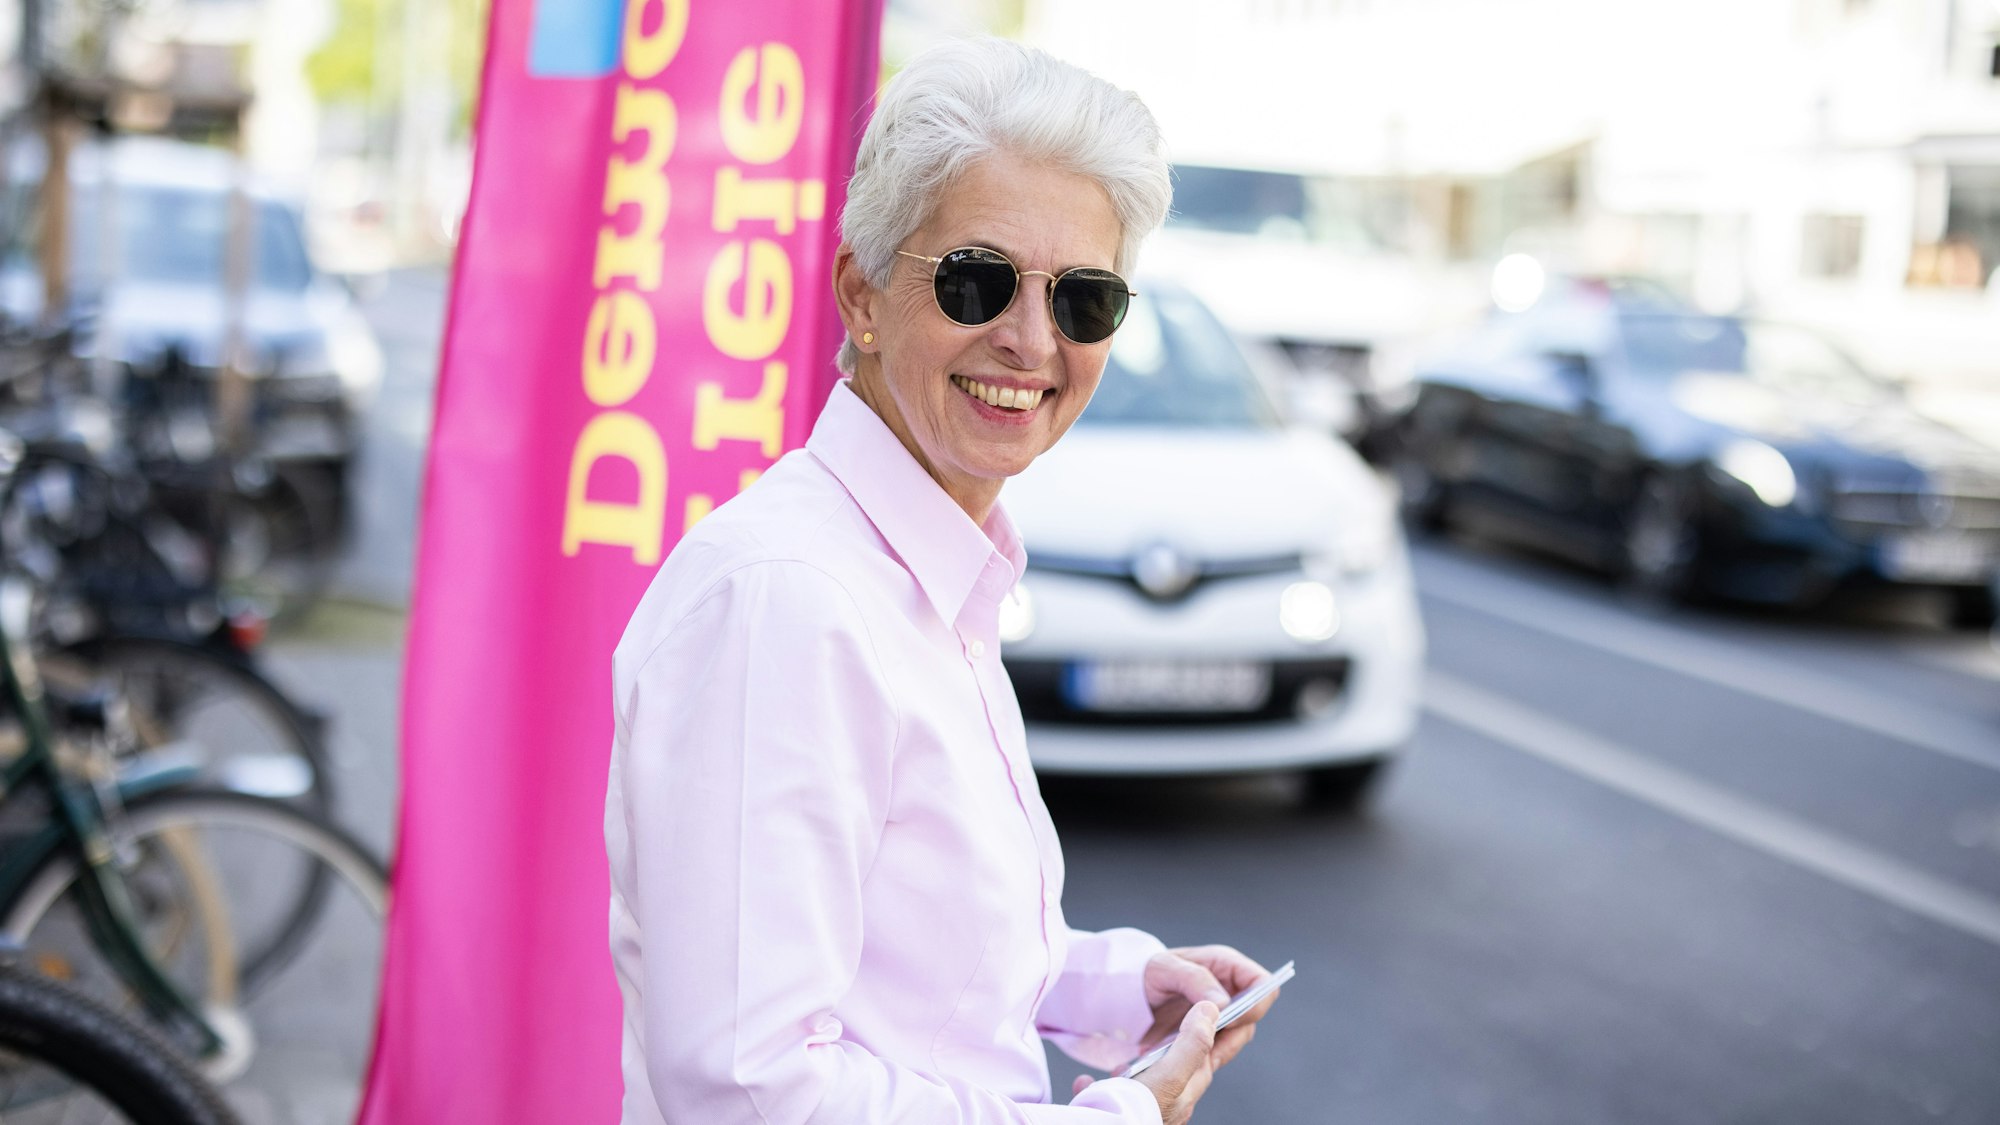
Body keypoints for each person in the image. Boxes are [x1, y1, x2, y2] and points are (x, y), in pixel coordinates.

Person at [605, 37, 1279, 1125]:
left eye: (1083, 300)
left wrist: (1117, 984)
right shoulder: (789, 601)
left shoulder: (924, 575)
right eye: (976, 281)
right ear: (860, 298)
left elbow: (919, 958)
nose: (1027, 340)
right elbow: (745, 1088)